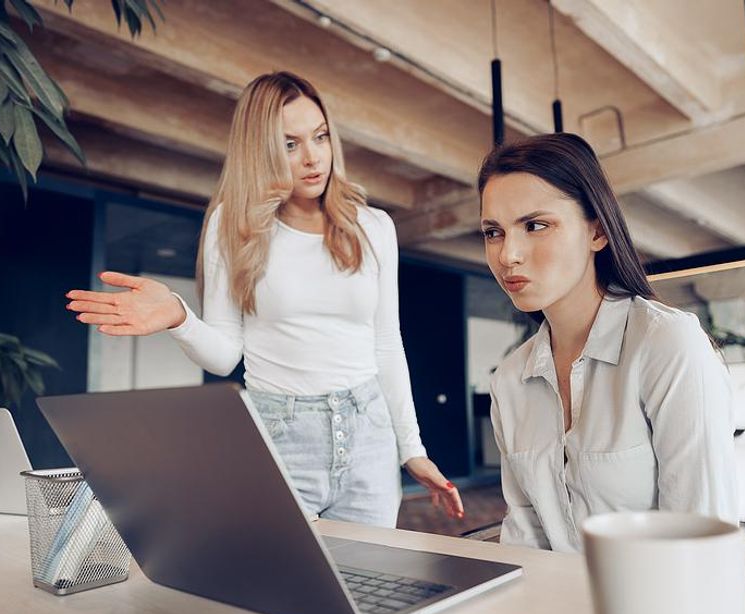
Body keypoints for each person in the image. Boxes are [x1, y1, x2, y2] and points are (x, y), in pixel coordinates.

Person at [66, 71, 463, 527]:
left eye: (320, 137)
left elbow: (387, 345)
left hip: (369, 435)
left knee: (374, 584)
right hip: (280, 433)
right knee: (287, 588)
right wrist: (180, 317)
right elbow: (224, 355)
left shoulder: (373, 226)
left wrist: (411, 449)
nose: (313, 158)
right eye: (290, 144)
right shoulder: (231, 225)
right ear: (260, 149)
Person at [477, 133, 737, 552]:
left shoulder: (666, 343)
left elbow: (700, 535)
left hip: (660, 607)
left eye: (535, 225)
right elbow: (524, 536)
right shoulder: (510, 379)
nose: (508, 255)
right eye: (493, 232)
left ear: (597, 231)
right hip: (553, 607)